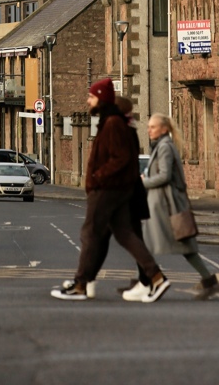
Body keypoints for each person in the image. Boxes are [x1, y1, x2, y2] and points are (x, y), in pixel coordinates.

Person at [51, 78, 168, 302]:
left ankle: (82, 285)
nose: (88, 101)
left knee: (90, 233)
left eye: (92, 97)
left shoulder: (113, 123)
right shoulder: (111, 121)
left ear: (101, 98)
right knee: (122, 233)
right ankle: (154, 276)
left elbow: (121, 158)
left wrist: (97, 176)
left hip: (107, 188)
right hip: (115, 188)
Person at [137, 112, 219, 300]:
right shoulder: (161, 145)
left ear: (164, 129)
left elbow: (165, 176)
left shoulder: (165, 147)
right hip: (163, 203)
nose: (149, 130)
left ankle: (144, 283)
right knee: (167, 245)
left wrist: (143, 182)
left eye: (153, 127)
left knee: (148, 245)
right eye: (148, 126)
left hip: (166, 205)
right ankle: (208, 281)